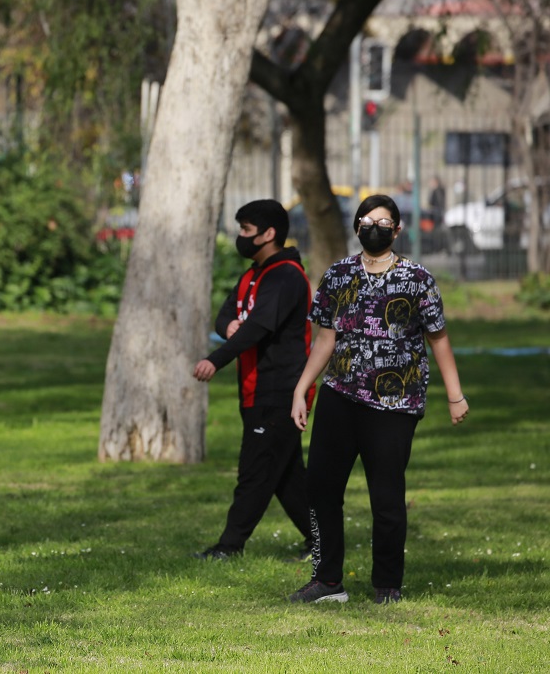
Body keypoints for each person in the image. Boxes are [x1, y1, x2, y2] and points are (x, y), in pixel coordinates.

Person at [287, 194, 469, 605]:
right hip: (339, 394)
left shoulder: (417, 279)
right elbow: (324, 340)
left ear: (397, 230)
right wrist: (303, 389)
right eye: (367, 220)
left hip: (394, 403)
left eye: (383, 222)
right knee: (320, 488)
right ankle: (327, 580)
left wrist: (455, 396)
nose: (375, 228)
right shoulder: (337, 275)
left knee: (386, 497)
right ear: (356, 227)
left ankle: (387, 585)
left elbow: (438, 338)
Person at [191, 199, 315, 561]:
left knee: (255, 471)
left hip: (281, 390)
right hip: (254, 390)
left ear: (269, 234)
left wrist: (216, 360)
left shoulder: (286, 275)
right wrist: (226, 326)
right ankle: (321, 540)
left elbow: (259, 327)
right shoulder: (252, 274)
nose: (241, 237)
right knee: (286, 475)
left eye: (246, 230)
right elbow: (228, 315)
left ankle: (230, 546)